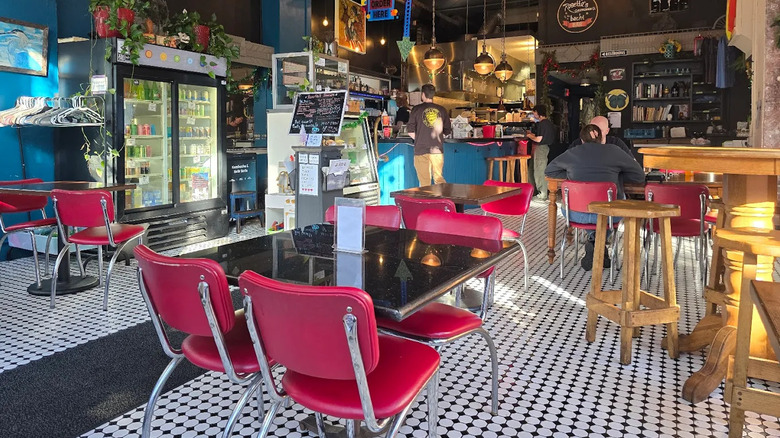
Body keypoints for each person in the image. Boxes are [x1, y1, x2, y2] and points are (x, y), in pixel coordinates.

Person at [545, 124, 646, 271]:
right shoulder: (614, 151)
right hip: (610, 215)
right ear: (601, 138)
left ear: (582, 140)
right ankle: (599, 243)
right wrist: (618, 176)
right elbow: (639, 176)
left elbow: (550, 171)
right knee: (616, 202)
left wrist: (571, 176)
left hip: (575, 215)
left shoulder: (573, 152)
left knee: (591, 210)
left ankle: (594, 242)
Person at [408, 84, 452, 186]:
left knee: (424, 183)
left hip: (421, 150)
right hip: (437, 151)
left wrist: (420, 138)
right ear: (433, 95)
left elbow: (410, 131)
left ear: (423, 94)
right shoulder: (442, 110)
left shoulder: (416, 109)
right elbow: (447, 131)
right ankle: (442, 201)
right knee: (439, 180)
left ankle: (427, 202)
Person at [568, 115, 635, 160]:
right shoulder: (578, 144)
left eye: (600, 131)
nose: (596, 134)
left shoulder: (616, 144)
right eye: (593, 130)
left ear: (607, 131)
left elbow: (633, 163)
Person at [525, 104, 556, 200]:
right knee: (534, 169)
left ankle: (542, 194)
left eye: (534, 112)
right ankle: (535, 191)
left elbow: (539, 139)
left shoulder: (543, 124)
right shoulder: (547, 123)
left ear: (538, 113)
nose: (534, 115)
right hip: (542, 148)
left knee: (539, 170)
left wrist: (530, 136)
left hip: (541, 148)